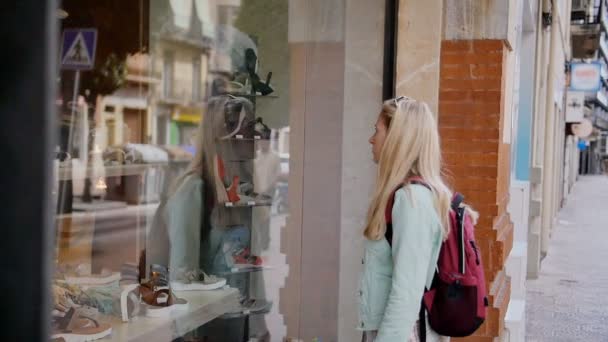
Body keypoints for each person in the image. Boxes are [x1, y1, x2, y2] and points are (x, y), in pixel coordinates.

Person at [359, 96, 452, 342]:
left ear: (396, 139)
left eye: (377, 130)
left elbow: (406, 294)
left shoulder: (412, 201)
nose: (371, 139)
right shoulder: (405, 196)